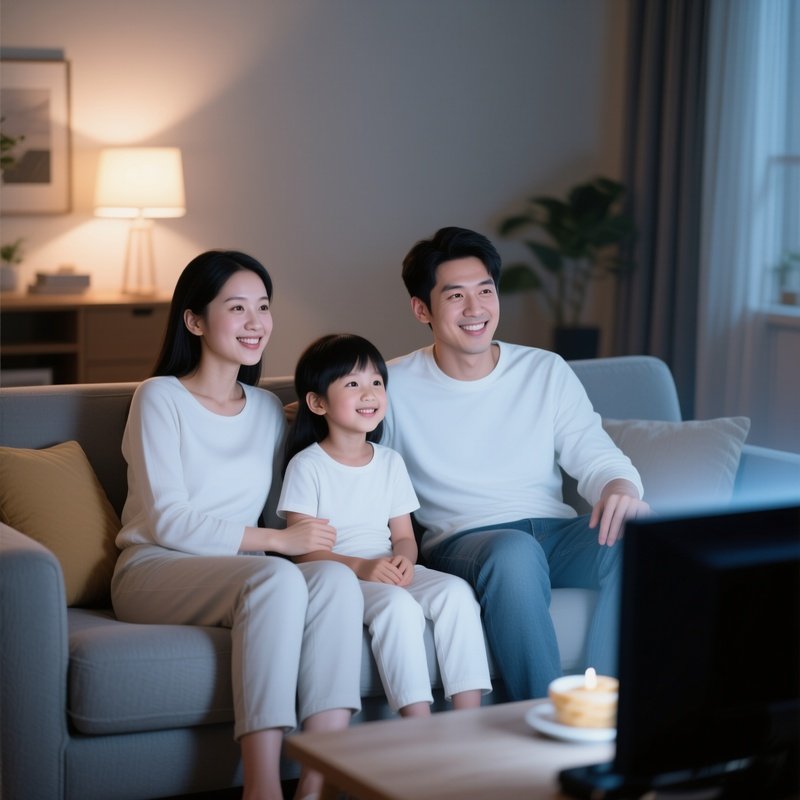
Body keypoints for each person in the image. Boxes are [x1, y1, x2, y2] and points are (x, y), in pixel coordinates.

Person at [110, 251, 364, 800]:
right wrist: (278, 542)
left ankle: (316, 785)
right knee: (273, 578)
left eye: (264, 307)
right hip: (155, 568)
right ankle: (263, 788)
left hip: (243, 571)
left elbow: (279, 512)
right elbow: (166, 518)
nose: (256, 322)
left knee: (336, 582)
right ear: (195, 321)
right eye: (237, 307)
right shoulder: (159, 398)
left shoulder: (268, 409)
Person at [381, 226, 650, 701]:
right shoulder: (392, 385)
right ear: (422, 308)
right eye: (456, 295)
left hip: (555, 534)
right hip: (466, 541)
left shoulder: (544, 370)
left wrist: (620, 487)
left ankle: (608, 713)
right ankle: (543, 716)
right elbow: (355, 459)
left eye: (485, 291)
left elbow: (595, 452)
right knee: (514, 553)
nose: (475, 309)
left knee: (644, 539)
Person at [278, 333, 492, 717]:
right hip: (341, 575)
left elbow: (404, 536)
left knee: (457, 593)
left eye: (377, 382)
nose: (369, 393)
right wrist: (362, 567)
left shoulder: (390, 461)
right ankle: (418, 727)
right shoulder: (307, 466)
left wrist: (405, 560)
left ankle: (469, 719)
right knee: (398, 607)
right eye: (353, 384)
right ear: (317, 402)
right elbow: (304, 550)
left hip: (388, 566)